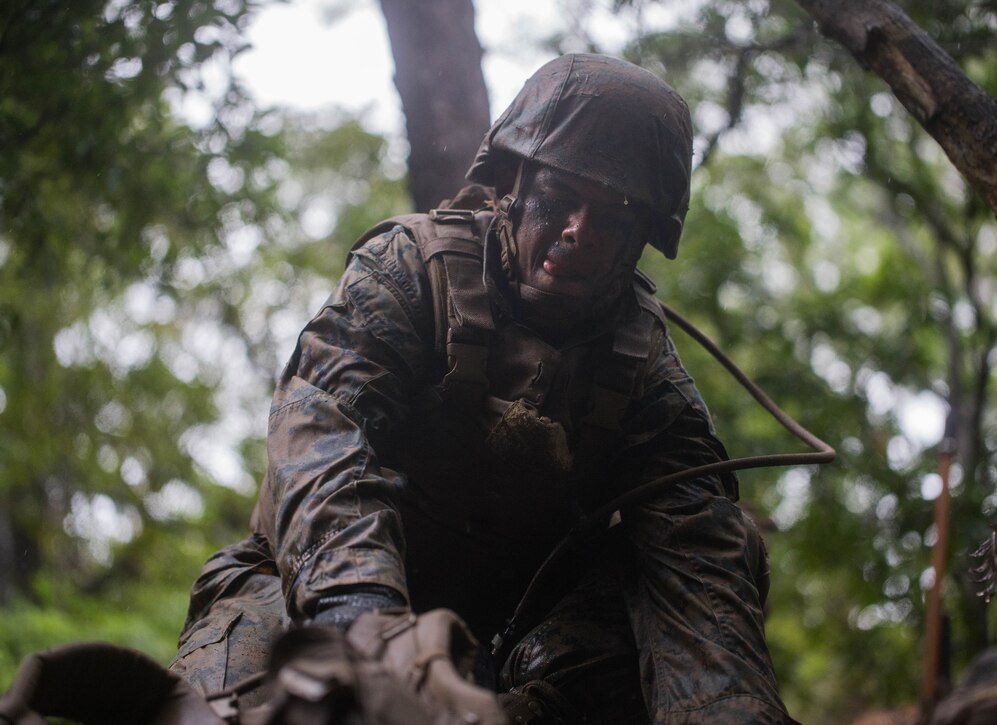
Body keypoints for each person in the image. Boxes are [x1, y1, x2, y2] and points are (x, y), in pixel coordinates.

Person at [170, 53, 791, 724]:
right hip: (310, 592)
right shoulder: (408, 273)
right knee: (240, 697)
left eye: (612, 217)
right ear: (513, 185)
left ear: (641, 238)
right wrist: (370, 630)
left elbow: (700, 565)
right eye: (559, 198)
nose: (578, 231)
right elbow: (322, 439)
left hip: (511, 644)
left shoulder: (644, 371)